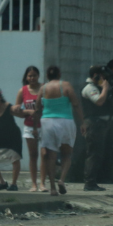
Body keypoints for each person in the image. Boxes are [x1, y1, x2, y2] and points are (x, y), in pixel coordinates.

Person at [35, 65, 83, 196]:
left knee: (51, 155)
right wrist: (83, 121)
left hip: (47, 122)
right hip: (65, 121)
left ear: (47, 76)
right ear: (59, 74)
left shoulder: (43, 88)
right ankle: (61, 180)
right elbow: (76, 103)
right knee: (66, 154)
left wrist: (35, 126)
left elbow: (37, 107)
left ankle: (52, 188)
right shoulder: (66, 85)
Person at [80, 64, 113, 191]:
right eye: (103, 77)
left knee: (100, 154)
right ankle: (89, 183)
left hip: (102, 124)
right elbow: (99, 101)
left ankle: (95, 180)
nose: (105, 79)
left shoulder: (97, 87)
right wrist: (105, 88)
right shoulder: (90, 88)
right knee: (94, 154)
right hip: (94, 125)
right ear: (96, 76)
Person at [12, 65, 44, 192]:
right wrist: (27, 112)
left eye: (34, 75)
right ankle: (34, 184)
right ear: (26, 77)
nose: (32, 78)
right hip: (30, 126)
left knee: (45, 154)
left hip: (45, 125)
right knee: (33, 155)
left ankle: (43, 183)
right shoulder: (23, 90)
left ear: (38, 76)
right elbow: (16, 110)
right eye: (30, 76)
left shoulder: (44, 88)